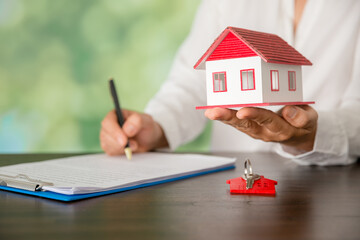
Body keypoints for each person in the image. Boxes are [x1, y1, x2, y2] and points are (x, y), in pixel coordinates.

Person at [100, 0, 360, 166]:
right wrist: (157, 126)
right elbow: (193, 81)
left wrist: (312, 135)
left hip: (331, 188)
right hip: (230, 185)